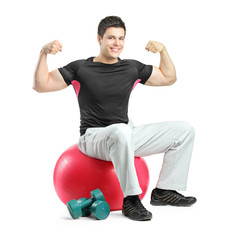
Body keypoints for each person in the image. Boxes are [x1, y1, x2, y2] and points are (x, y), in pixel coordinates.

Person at [33, 16, 196, 221]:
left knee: (184, 130)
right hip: (93, 138)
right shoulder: (81, 68)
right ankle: (131, 199)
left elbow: (168, 78)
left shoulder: (131, 68)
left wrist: (163, 51)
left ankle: (165, 190)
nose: (116, 43)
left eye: (121, 38)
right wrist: (43, 54)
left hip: (125, 134)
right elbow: (41, 85)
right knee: (121, 130)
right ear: (99, 39)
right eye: (111, 38)